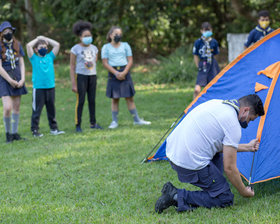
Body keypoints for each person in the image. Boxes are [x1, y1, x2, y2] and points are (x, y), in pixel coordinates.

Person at [155, 94, 265, 214]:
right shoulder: (233, 124)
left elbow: (216, 145)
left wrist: (247, 147)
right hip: (188, 161)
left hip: (173, 152)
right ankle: (176, 195)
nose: (247, 124)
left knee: (218, 158)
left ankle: (214, 187)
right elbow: (230, 168)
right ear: (246, 110)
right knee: (225, 198)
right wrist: (243, 191)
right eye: (250, 119)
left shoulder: (217, 103)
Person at [101, 26, 151, 129]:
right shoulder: (105, 47)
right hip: (113, 73)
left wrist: (124, 72)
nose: (118, 36)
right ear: (110, 35)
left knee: (129, 98)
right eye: (116, 34)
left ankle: (137, 120)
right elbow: (105, 63)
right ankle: (114, 121)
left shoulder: (125, 45)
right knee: (115, 99)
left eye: (119, 34)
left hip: (125, 72)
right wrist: (116, 73)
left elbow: (130, 60)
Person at [26, 35, 65, 137]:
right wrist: (38, 39)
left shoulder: (50, 57)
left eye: (45, 47)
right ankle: (35, 130)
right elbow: (28, 46)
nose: (43, 49)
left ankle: (54, 129)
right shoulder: (34, 58)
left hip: (50, 87)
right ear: (36, 50)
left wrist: (46, 39)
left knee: (51, 109)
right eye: (40, 47)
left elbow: (57, 45)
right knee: (37, 110)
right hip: (39, 88)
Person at [70, 21, 102, 132]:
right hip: (81, 77)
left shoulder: (94, 48)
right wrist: (74, 83)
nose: (88, 37)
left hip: (92, 76)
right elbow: (72, 66)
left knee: (92, 100)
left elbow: (95, 61)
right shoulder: (75, 49)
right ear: (80, 37)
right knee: (81, 100)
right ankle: (78, 124)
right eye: (85, 36)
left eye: (89, 36)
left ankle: (93, 123)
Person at [0, 21, 27, 143]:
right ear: (1, 34)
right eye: (5, 32)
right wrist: (10, 80)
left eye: (9, 31)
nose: (8, 34)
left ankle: (15, 133)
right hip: (5, 79)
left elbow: (21, 63)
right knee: (7, 108)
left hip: (17, 77)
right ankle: (8, 134)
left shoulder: (17, 44)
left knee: (16, 108)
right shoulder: (0, 47)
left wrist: (22, 79)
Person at [193, 22, 220, 99]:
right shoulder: (198, 42)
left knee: (212, 86)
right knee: (197, 89)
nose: (207, 32)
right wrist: (198, 65)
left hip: (212, 64)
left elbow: (216, 54)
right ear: (201, 31)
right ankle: (193, 105)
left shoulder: (214, 42)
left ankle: (212, 102)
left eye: (209, 30)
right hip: (203, 64)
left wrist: (215, 65)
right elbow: (195, 55)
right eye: (205, 30)